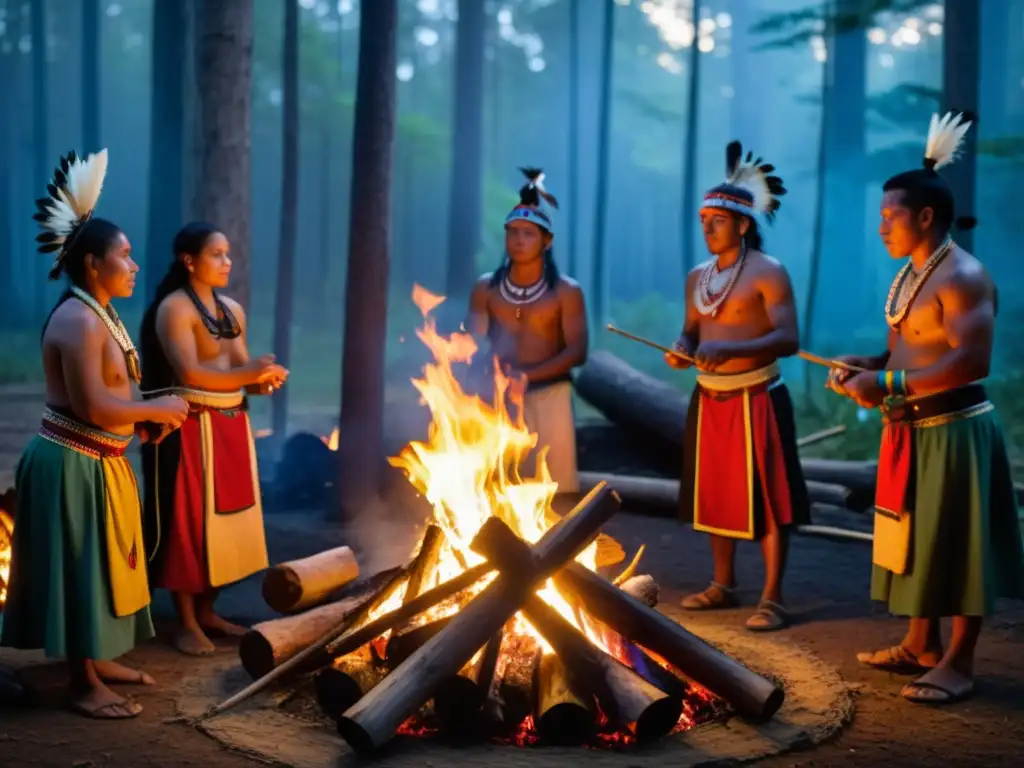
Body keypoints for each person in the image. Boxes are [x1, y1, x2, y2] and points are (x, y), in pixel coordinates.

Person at [827, 111, 1024, 704]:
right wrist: (868, 362)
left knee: (957, 542)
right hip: (912, 427)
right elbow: (907, 349)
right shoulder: (914, 276)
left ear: (927, 217)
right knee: (915, 537)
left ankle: (960, 662)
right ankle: (921, 644)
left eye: (891, 217)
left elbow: (970, 362)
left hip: (956, 431)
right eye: (881, 216)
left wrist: (887, 383)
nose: (882, 227)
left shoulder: (963, 276)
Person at [1, 149, 189, 719]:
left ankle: (100, 659)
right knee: (80, 570)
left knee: (107, 565)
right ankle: (84, 682)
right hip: (70, 464)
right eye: (124, 256)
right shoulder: (79, 320)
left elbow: (114, 398)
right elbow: (92, 404)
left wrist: (147, 412)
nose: (135, 266)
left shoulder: (101, 312)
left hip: (99, 459)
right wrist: (155, 412)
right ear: (91, 265)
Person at [667, 141, 810, 631]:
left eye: (718, 219)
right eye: (703, 218)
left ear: (744, 225)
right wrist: (682, 346)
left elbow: (789, 338)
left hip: (757, 396)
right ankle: (722, 582)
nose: (707, 226)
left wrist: (730, 351)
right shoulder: (696, 278)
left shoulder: (770, 273)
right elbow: (691, 329)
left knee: (771, 495)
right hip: (709, 398)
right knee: (714, 493)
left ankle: (773, 596)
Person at [139, 222, 288, 656]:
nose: (227, 262)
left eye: (228, 253)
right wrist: (248, 373)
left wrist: (263, 380)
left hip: (230, 426)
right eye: (217, 254)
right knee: (188, 521)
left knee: (228, 523)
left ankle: (207, 610)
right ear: (189, 260)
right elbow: (190, 374)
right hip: (189, 427)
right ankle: (184, 620)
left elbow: (238, 368)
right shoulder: (174, 310)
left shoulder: (231, 311)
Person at [465, 168, 588, 507]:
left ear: (546, 241)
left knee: (557, 489)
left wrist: (528, 377)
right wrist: (491, 378)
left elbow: (578, 351)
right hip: (499, 395)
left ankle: (558, 554)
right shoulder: (486, 288)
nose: (519, 241)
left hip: (551, 394)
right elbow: (472, 344)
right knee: (500, 487)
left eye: (529, 234)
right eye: (513, 233)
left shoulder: (566, 292)